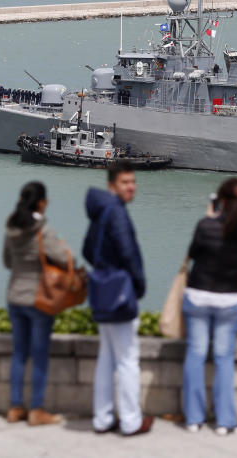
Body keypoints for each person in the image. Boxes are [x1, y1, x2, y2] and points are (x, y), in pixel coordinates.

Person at [182, 178, 237, 435]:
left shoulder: (205, 226)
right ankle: (225, 421)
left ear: (221, 200)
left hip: (199, 296)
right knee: (224, 358)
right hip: (229, 299)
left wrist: (210, 217)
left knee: (196, 353)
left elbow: (192, 253)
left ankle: (193, 419)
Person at [82, 161, 153, 437]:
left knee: (106, 358)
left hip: (101, 289)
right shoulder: (118, 213)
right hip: (120, 293)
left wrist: (104, 267)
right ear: (112, 185)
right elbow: (129, 254)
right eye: (126, 182)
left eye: (133, 182)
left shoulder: (100, 211)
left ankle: (102, 418)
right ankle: (131, 421)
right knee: (127, 360)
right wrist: (138, 283)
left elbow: (87, 250)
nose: (131, 187)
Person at [3, 182, 73, 426]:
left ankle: (14, 407)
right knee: (40, 355)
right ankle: (37, 410)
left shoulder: (11, 227)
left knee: (20, 353)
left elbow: (7, 262)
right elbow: (65, 259)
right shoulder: (43, 230)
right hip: (39, 299)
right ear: (41, 202)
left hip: (15, 296)